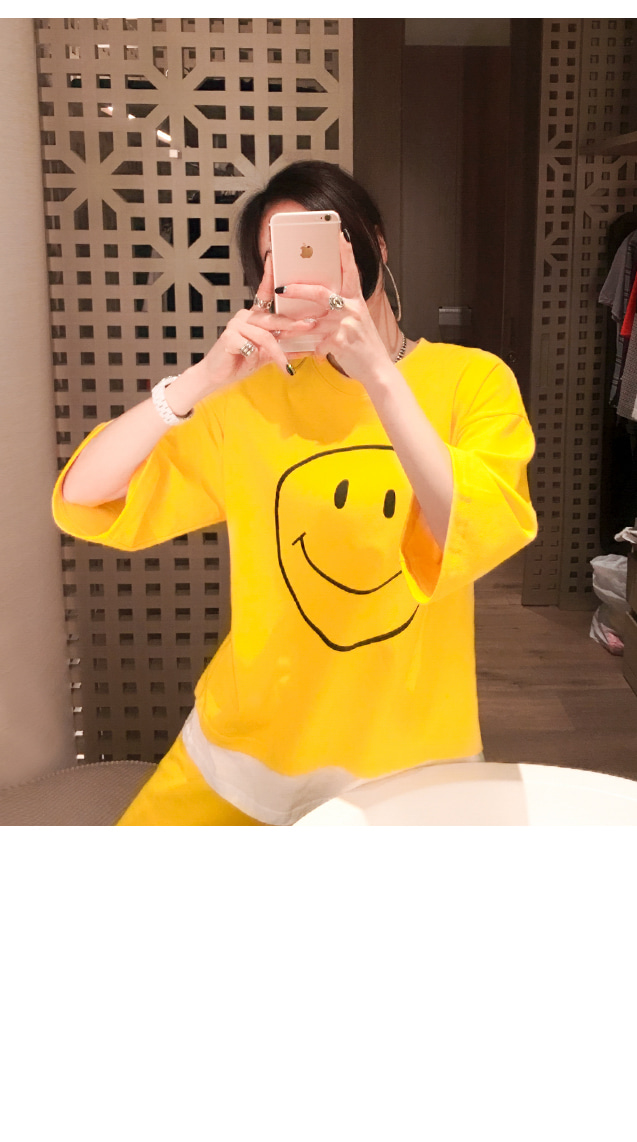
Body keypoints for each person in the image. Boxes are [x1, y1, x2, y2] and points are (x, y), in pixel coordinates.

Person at [52, 160, 538, 826]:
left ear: (374, 244)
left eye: (316, 246)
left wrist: (377, 374)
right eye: (276, 259)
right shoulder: (251, 398)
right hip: (248, 744)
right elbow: (84, 495)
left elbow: (472, 530)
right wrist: (201, 380)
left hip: (410, 751)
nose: (302, 274)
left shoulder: (474, 381)